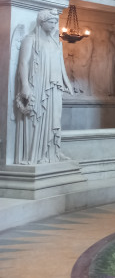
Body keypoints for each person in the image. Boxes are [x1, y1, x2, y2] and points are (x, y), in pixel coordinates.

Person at [15, 9, 74, 165]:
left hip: (54, 87)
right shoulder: (30, 40)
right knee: (38, 119)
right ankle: (35, 155)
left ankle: (52, 152)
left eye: (56, 22)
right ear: (41, 22)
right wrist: (25, 86)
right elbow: (23, 63)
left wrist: (66, 82)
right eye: (51, 22)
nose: (55, 25)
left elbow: (60, 65)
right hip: (39, 85)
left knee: (55, 118)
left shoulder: (55, 42)